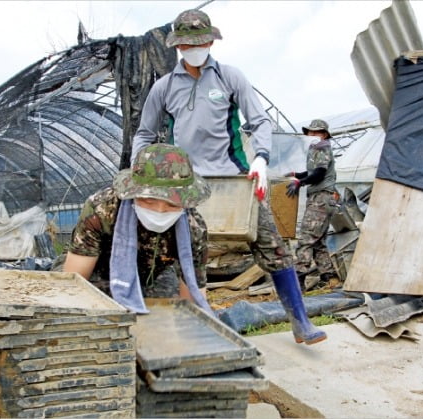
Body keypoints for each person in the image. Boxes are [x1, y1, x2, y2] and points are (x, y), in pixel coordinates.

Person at [131, 9, 326, 344]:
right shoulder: (164, 88)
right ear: (178, 46)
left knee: (273, 246)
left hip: (234, 181)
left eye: (201, 41)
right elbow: (145, 134)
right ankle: (186, 328)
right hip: (186, 186)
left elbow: (259, 120)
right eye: (187, 44)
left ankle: (300, 321)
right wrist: (139, 169)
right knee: (183, 254)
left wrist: (261, 159)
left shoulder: (229, 78)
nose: (195, 47)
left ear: (210, 41)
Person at [62, 143, 214, 315]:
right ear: (133, 193)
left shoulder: (194, 228)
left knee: (167, 313)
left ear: (186, 202)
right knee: (94, 310)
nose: (160, 210)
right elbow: (74, 280)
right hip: (99, 270)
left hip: (151, 277)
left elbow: (193, 297)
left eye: (172, 204)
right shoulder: (103, 209)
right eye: (148, 201)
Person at [285, 119, 340, 289]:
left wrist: (299, 183)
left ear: (324, 134)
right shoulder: (316, 149)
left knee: (306, 239)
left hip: (321, 198)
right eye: (311, 132)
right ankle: (329, 277)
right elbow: (312, 172)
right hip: (323, 197)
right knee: (318, 241)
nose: (313, 135)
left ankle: (298, 280)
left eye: (317, 132)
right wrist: (297, 174)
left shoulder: (322, 147)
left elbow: (319, 173)